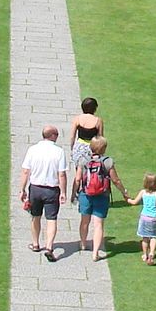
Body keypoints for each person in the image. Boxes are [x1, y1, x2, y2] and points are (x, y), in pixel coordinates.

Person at [19, 125, 69, 260]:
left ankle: (35, 244)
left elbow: (25, 171)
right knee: (51, 219)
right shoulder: (59, 151)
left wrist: (22, 189)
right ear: (52, 136)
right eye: (57, 134)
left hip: (35, 189)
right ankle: (49, 246)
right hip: (52, 190)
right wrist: (63, 192)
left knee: (35, 216)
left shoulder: (33, 149)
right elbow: (62, 174)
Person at [73, 135, 121, 262]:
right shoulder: (108, 161)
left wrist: (73, 193)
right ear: (104, 148)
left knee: (84, 221)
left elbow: (77, 179)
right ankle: (95, 253)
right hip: (102, 196)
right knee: (98, 224)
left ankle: (83, 243)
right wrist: (124, 192)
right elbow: (115, 180)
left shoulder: (83, 160)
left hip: (85, 194)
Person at [65, 98, 103, 251]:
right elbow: (100, 137)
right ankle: (91, 185)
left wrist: (72, 147)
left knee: (79, 171)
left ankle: (80, 191)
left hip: (80, 146)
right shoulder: (98, 120)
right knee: (91, 170)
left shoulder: (78, 119)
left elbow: (72, 136)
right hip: (91, 147)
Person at [134, 172, 156, 265]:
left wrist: (127, 198)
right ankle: (152, 253)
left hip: (144, 218)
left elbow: (134, 202)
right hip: (153, 219)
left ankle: (145, 254)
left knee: (145, 238)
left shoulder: (142, 192)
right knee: (153, 237)